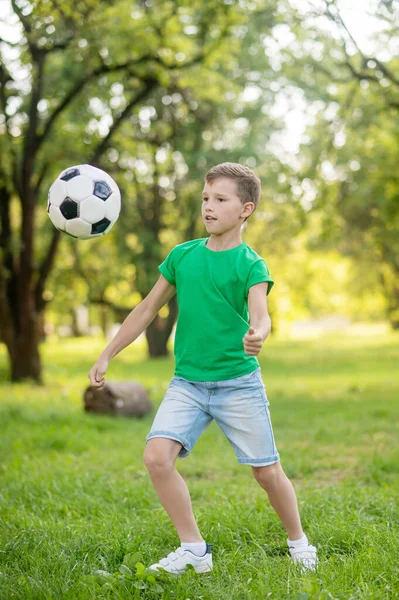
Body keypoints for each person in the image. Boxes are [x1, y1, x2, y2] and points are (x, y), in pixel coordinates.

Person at [88, 162, 318, 575]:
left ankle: (299, 541)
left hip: (238, 385)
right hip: (188, 385)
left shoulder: (251, 264)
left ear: (245, 209)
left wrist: (258, 333)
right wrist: (108, 353)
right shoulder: (183, 256)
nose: (209, 207)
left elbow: (261, 314)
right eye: (205, 199)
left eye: (220, 200)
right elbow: (145, 309)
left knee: (267, 473)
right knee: (157, 458)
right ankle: (194, 549)